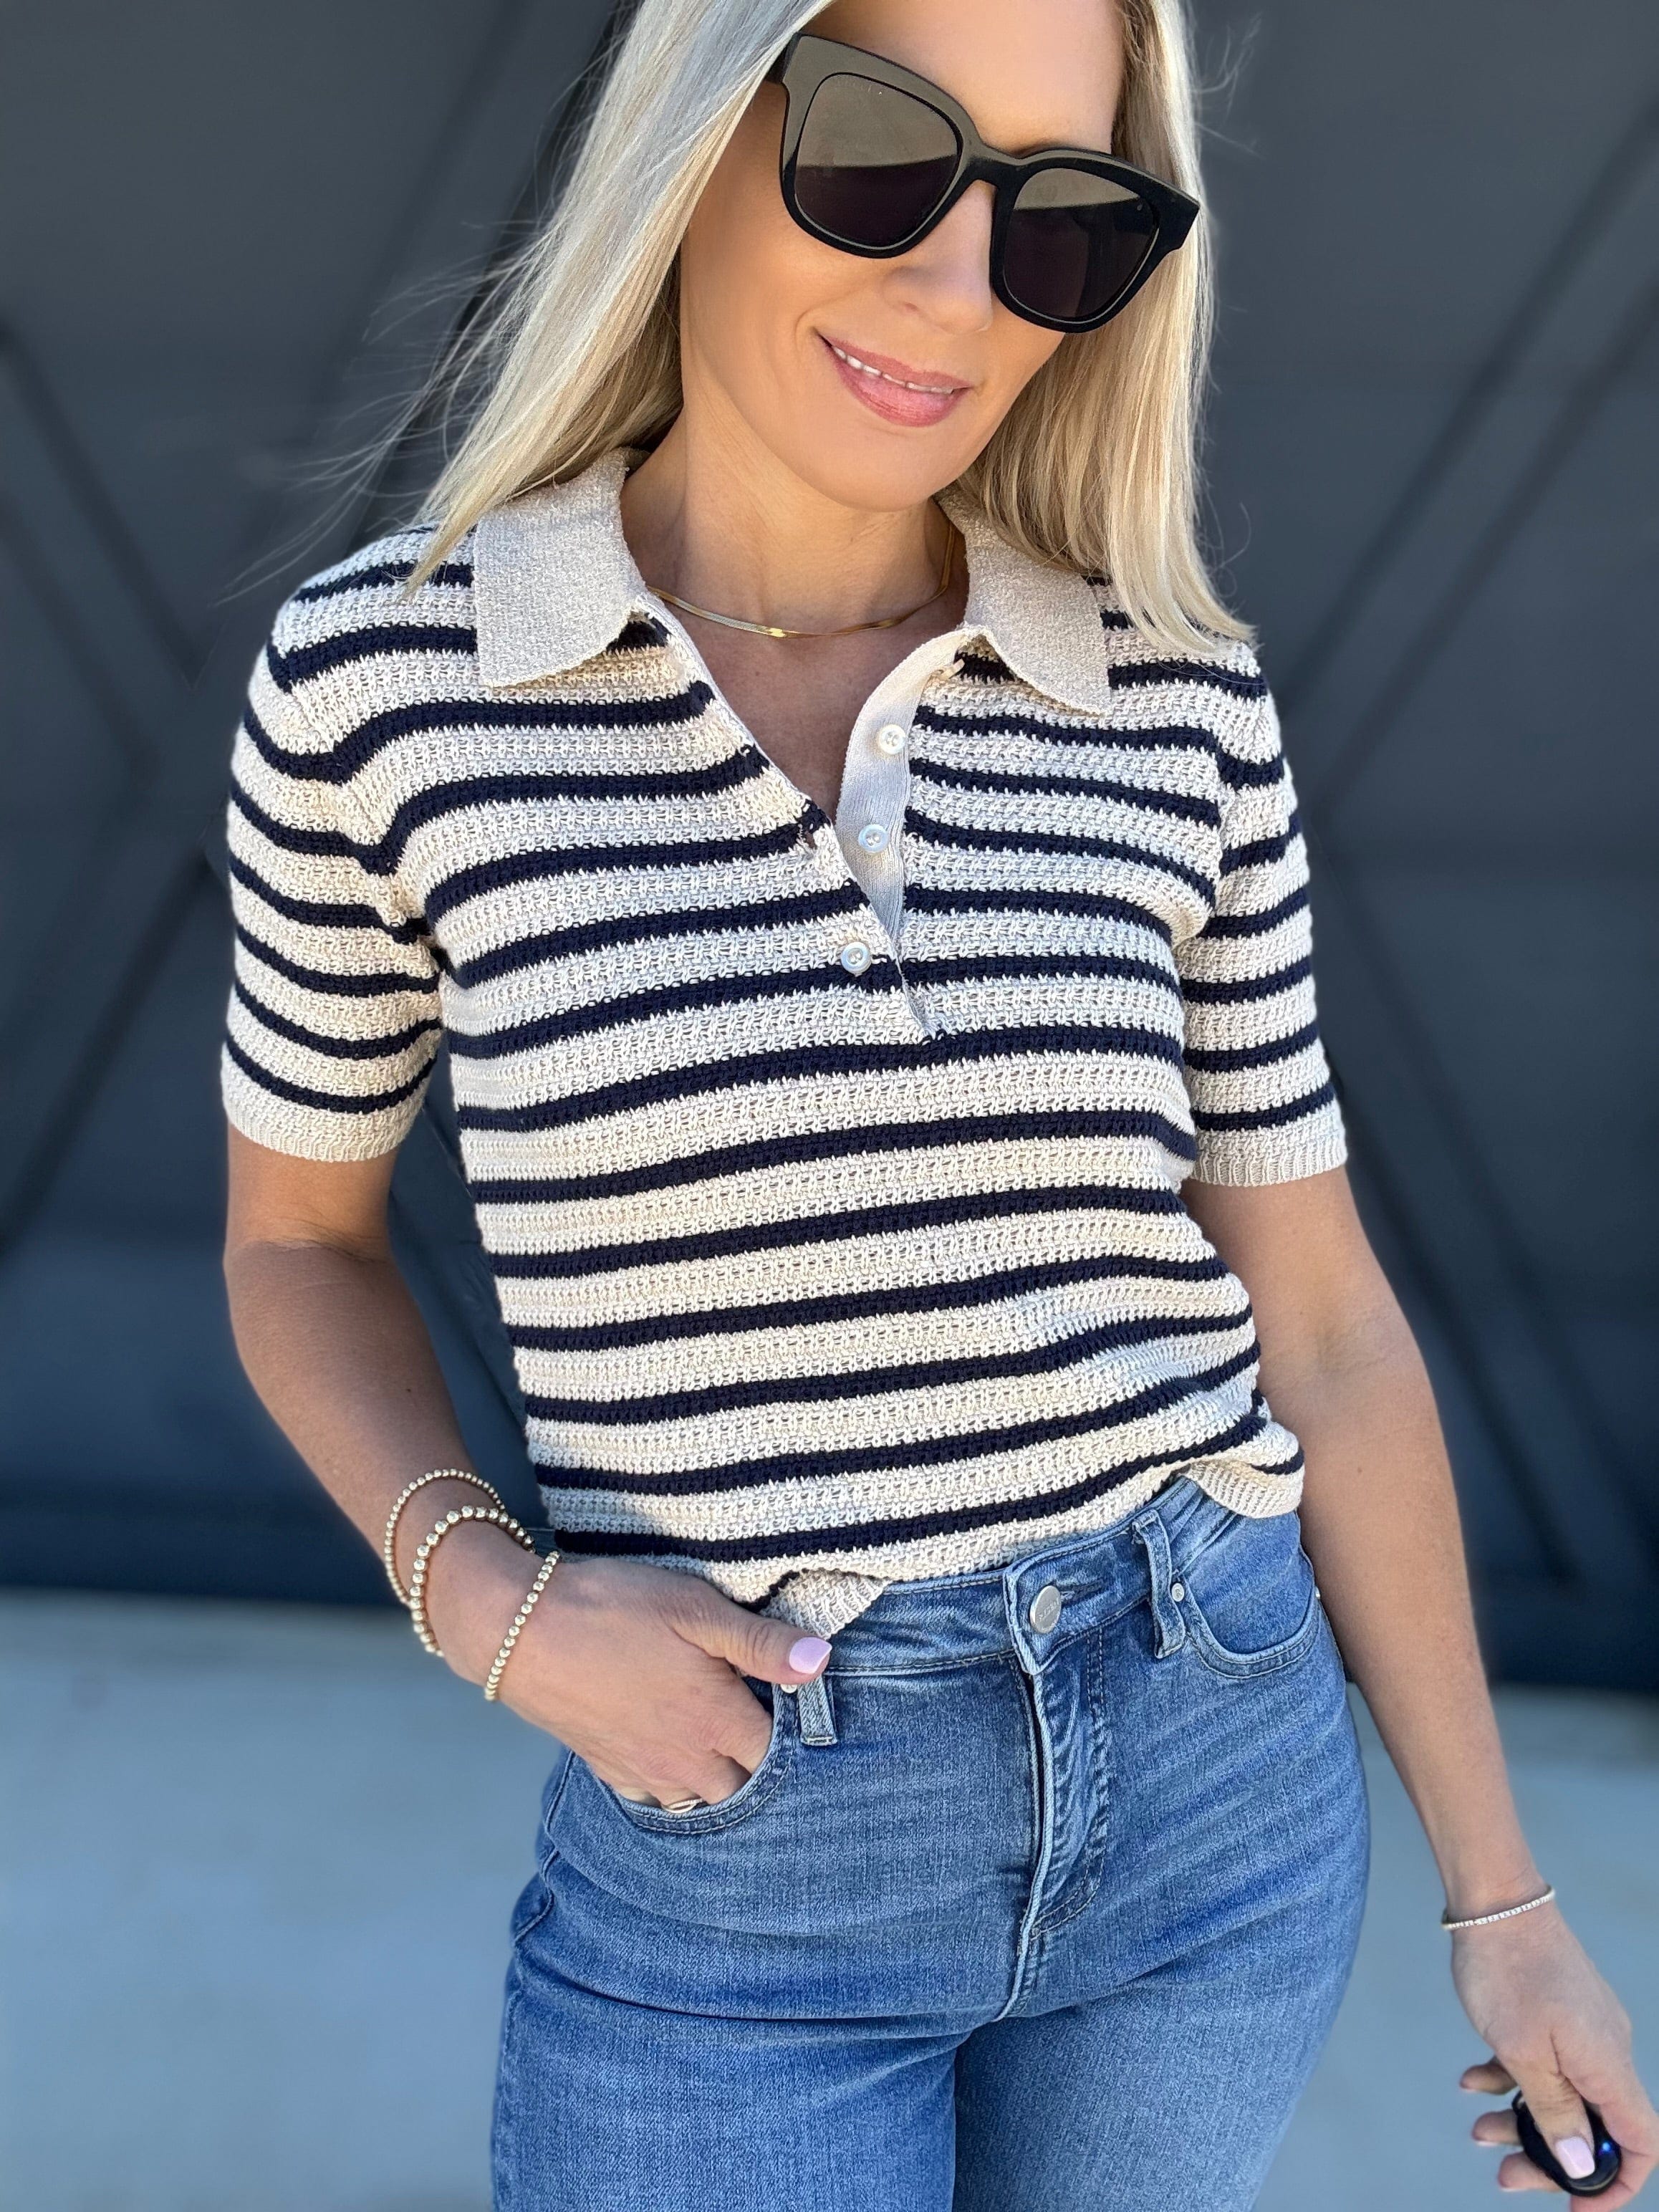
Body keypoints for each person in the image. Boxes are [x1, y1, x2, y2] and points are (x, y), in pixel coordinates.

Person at [218, 0, 1657, 2203]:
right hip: (746, 1841)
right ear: (696, 136)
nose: (962, 284)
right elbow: (294, 1243)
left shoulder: (1167, 696)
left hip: (1213, 1771)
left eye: (1063, 219)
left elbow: (1326, 1324)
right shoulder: (387, 682)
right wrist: (484, 1598)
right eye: (879, 154)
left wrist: (1508, 1903)